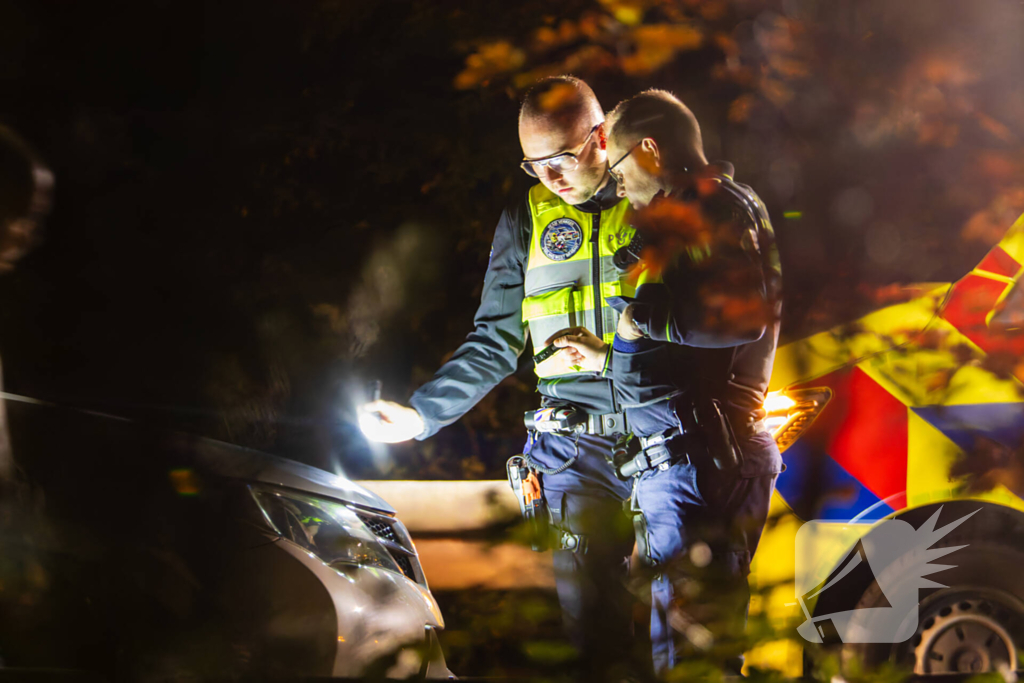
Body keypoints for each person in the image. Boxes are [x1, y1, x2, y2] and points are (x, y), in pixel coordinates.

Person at [360, 76, 642, 674]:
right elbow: (494, 339)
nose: (550, 177)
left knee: (681, 624)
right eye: (533, 163)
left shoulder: (652, 196)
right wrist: (421, 413)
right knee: (596, 631)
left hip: (664, 429)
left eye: (562, 157)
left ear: (601, 135)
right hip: (573, 452)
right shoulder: (526, 216)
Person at [553, 90, 783, 675]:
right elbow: (694, 349)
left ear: (651, 150)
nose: (617, 182)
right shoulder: (711, 204)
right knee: (685, 648)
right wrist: (614, 354)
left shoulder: (711, 205)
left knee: (690, 659)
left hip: (698, 460)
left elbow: (742, 317)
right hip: (692, 454)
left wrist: (640, 320)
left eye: (621, 164)